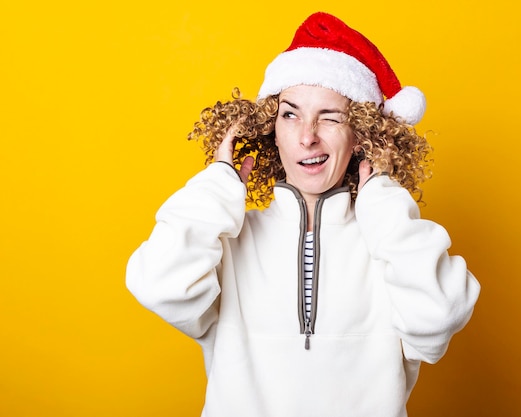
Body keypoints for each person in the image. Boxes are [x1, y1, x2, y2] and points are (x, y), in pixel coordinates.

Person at [126, 11, 480, 417]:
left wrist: (381, 203)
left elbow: (436, 320)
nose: (307, 135)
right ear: (271, 130)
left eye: (330, 117)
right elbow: (158, 283)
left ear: (362, 136)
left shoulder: (389, 241)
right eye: (290, 114)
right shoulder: (230, 240)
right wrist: (219, 184)